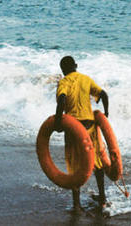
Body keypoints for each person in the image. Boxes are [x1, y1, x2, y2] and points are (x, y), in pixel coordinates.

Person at [53, 56, 109, 215]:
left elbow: (62, 99)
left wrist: (58, 121)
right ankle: (103, 198)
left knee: (74, 163)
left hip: (73, 128)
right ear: (76, 66)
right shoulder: (86, 79)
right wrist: (106, 114)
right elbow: (104, 95)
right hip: (90, 126)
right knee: (96, 161)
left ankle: (77, 205)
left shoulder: (64, 82)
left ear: (62, 69)